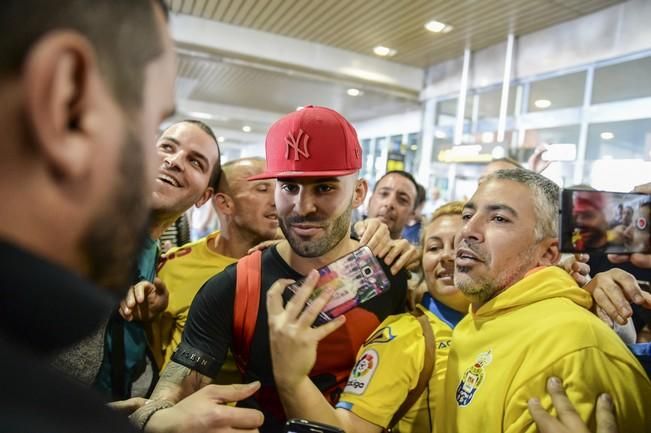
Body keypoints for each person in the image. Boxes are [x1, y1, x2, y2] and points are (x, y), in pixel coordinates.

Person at [134, 105, 411, 433]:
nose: (303, 207)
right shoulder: (233, 286)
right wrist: (155, 419)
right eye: (289, 187)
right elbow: (173, 391)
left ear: (358, 193)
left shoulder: (390, 272)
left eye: (324, 188)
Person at [438, 169, 651, 433]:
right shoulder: (478, 319)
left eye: (499, 218)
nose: (468, 230)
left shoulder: (573, 347)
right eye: (468, 216)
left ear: (548, 252)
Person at [267, 202, 468, 433]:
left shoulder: (506, 323)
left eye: (459, 245)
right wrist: (292, 379)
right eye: (433, 248)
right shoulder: (405, 337)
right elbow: (349, 429)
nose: (446, 256)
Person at [93, 119, 222, 400]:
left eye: (196, 162)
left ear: (205, 196)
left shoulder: (156, 252)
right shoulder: (81, 225)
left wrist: (151, 316)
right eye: (167, 147)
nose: (174, 161)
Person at [150, 157, 278, 374]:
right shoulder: (175, 266)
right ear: (225, 203)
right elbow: (155, 348)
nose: (277, 199)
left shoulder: (294, 261)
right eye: (263, 188)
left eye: (282, 188)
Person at [366, 170, 418, 240]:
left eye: (402, 199)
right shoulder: (347, 240)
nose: (389, 203)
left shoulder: (409, 251)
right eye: (384, 193)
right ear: (370, 201)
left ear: (411, 215)